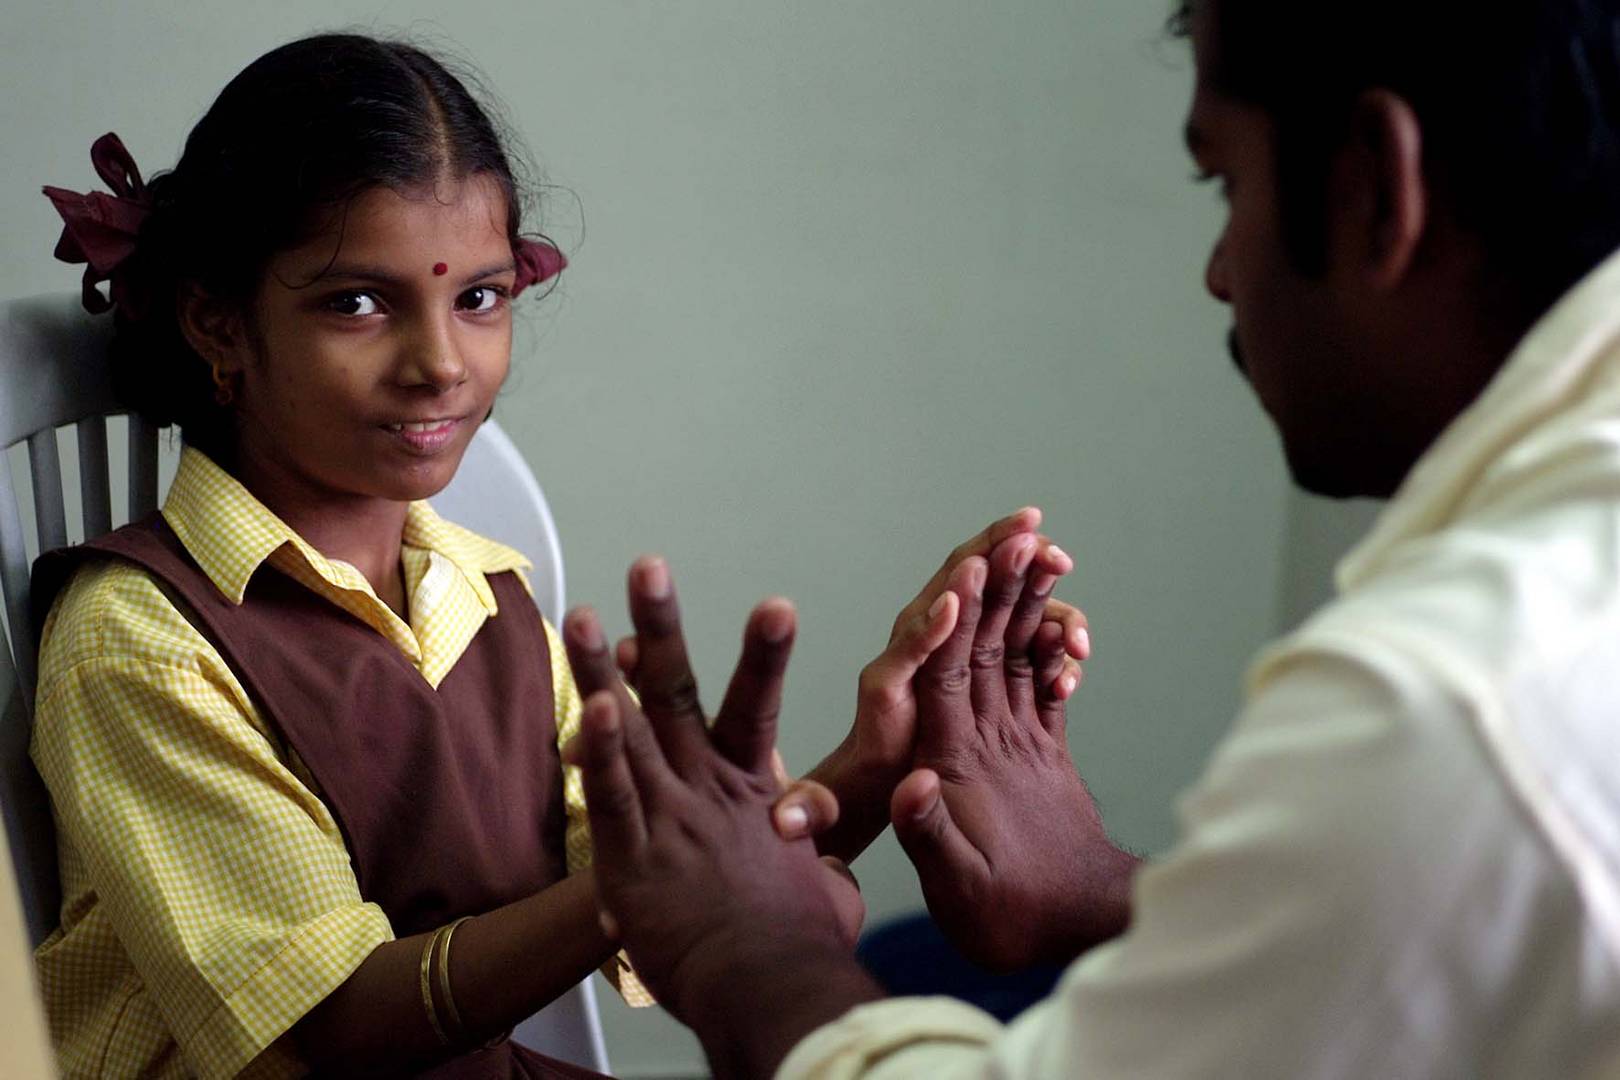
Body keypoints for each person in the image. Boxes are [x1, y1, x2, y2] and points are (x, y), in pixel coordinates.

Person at [563, 1, 1620, 1076]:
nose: (1218, 269)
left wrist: (747, 944)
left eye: (1227, 182)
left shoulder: (1452, 699)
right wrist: (1115, 896)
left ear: (1371, 190)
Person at [30, 33, 1093, 1078]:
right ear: (216, 320)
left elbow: (684, 905)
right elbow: (330, 1031)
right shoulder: (140, 640)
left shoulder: (482, 596)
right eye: (358, 303)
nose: (441, 363)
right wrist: (637, 885)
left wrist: (880, 755)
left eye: (478, 298)